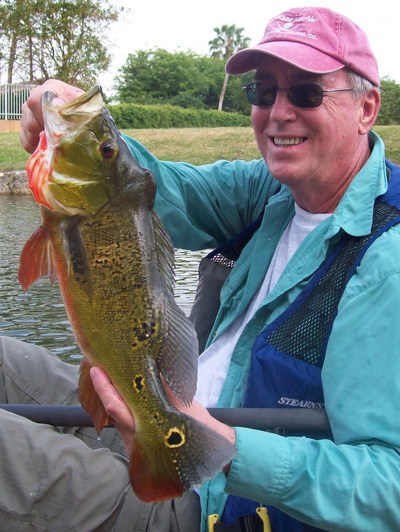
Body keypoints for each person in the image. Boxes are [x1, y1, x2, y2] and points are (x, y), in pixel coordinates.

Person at [4, 4, 400, 531]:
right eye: (263, 92)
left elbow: (388, 487)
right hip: (155, 412)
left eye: (306, 92)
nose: (279, 111)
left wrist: (225, 450)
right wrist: (72, 123)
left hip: (209, 501)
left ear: (367, 108)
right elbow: (142, 188)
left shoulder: (385, 261)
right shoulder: (271, 191)